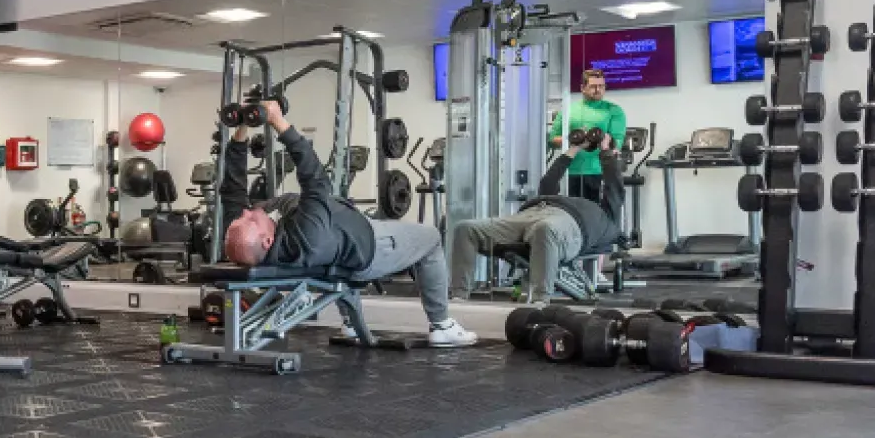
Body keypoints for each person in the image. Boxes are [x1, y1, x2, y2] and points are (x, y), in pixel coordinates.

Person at [218, 102, 476, 347]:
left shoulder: (247, 238)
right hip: (373, 245)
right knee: (430, 238)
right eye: (251, 219)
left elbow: (232, 188)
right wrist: (278, 122)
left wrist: (242, 126)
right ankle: (442, 326)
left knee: (319, 233)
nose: (249, 212)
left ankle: (351, 323)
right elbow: (314, 176)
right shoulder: (307, 232)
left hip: (335, 251)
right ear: (267, 240)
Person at [449, 133, 626, 301]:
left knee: (544, 229)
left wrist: (607, 154)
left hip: (570, 224)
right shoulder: (555, 196)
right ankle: (458, 297)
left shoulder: (607, 217)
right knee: (465, 228)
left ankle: (539, 301)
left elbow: (615, 187)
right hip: (531, 213)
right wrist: (574, 149)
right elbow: (548, 181)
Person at [549, 69, 626, 203]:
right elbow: (552, 140)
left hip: (600, 172)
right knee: (573, 217)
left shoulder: (614, 110)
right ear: (582, 88)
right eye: (593, 86)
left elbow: (617, 142)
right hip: (571, 172)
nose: (598, 90)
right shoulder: (568, 110)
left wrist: (605, 142)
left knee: (598, 218)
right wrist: (572, 140)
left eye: (601, 86)